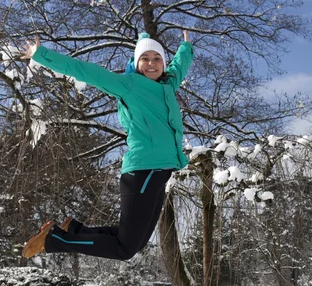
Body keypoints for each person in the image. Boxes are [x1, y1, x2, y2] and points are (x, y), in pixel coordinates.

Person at [20, 30, 193, 260]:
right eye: (145, 58)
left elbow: (179, 66)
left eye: (156, 58)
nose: (151, 64)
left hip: (160, 173)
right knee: (125, 249)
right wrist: (41, 55)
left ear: (163, 62)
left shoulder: (168, 85)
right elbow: (87, 72)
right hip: (144, 171)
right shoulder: (128, 85)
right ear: (137, 62)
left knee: (136, 243)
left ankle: (74, 229)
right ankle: (53, 239)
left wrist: (186, 47)